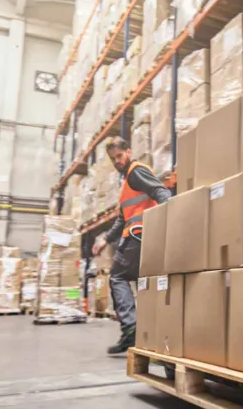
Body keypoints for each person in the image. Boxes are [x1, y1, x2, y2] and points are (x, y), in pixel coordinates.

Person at [92, 136, 171, 354]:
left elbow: (160, 191)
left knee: (118, 276)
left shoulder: (136, 171)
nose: (117, 161)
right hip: (142, 236)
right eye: (113, 158)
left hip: (138, 236)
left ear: (128, 151)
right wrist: (105, 240)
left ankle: (130, 329)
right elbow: (121, 218)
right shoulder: (127, 181)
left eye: (119, 156)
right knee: (143, 284)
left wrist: (173, 214)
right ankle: (146, 333)